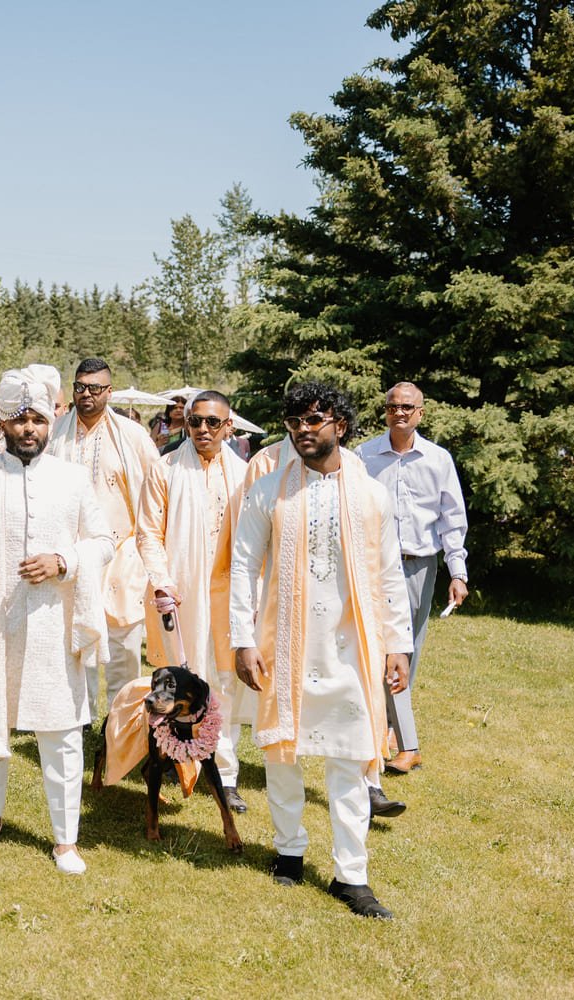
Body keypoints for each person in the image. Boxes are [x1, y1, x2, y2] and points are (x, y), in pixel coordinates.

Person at [230, 381, 413, 919]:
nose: (303, 430)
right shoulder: (269, 491)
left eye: (315, 419)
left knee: (351, 758)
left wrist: (398, 644)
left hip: (352, 646)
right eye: (295, 422)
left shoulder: (371, 495)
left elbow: (389, 573)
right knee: (282, 755)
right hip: (285, 646)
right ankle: (289, 850)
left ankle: (351, 876)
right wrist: (242, 639)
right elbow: (243, 566)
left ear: (341, 424)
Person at [0, 367, 113, 874]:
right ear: (4, 423)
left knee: (61, 732)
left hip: (54, 625)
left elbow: (104, 541)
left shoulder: (71, 479)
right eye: (19, 419)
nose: (28, 428)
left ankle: (65, 840)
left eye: (37, 419)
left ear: (50, 422)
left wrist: (63, 561)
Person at [136, 390, 252, 813]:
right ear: (186, 423)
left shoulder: (244, 474)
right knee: (180, 679)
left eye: (213, 422)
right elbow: (148, 533)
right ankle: (174, 757)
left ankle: (227, 774)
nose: (203, 429)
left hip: (230, 593)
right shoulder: (164, 468)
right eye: (196, 421)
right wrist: (162, 581)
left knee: (226, 682)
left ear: (228, 426)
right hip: (181, 592)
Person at [355, 382, 469, 776]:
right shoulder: (365, 456)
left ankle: (392, 728)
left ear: (421, 412)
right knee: (387, 647)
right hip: (374, 567)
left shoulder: (438, 459)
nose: (399, 413)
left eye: (407, 407)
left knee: (408, 649)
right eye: (392, 407)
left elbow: (452, 519)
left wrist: (457, 572)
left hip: (421, 566)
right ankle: (405, 742)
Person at [47, 358, 161, 722]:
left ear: (109, 392)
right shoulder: (55, 433)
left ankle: (121, 724)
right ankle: (77, 719)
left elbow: (156, 491)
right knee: (73, 638)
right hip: (70, 554)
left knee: (123, 643)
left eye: (95, 388)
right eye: (80, 387)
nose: (87, 394)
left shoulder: (132, 436)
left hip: (122, 553)